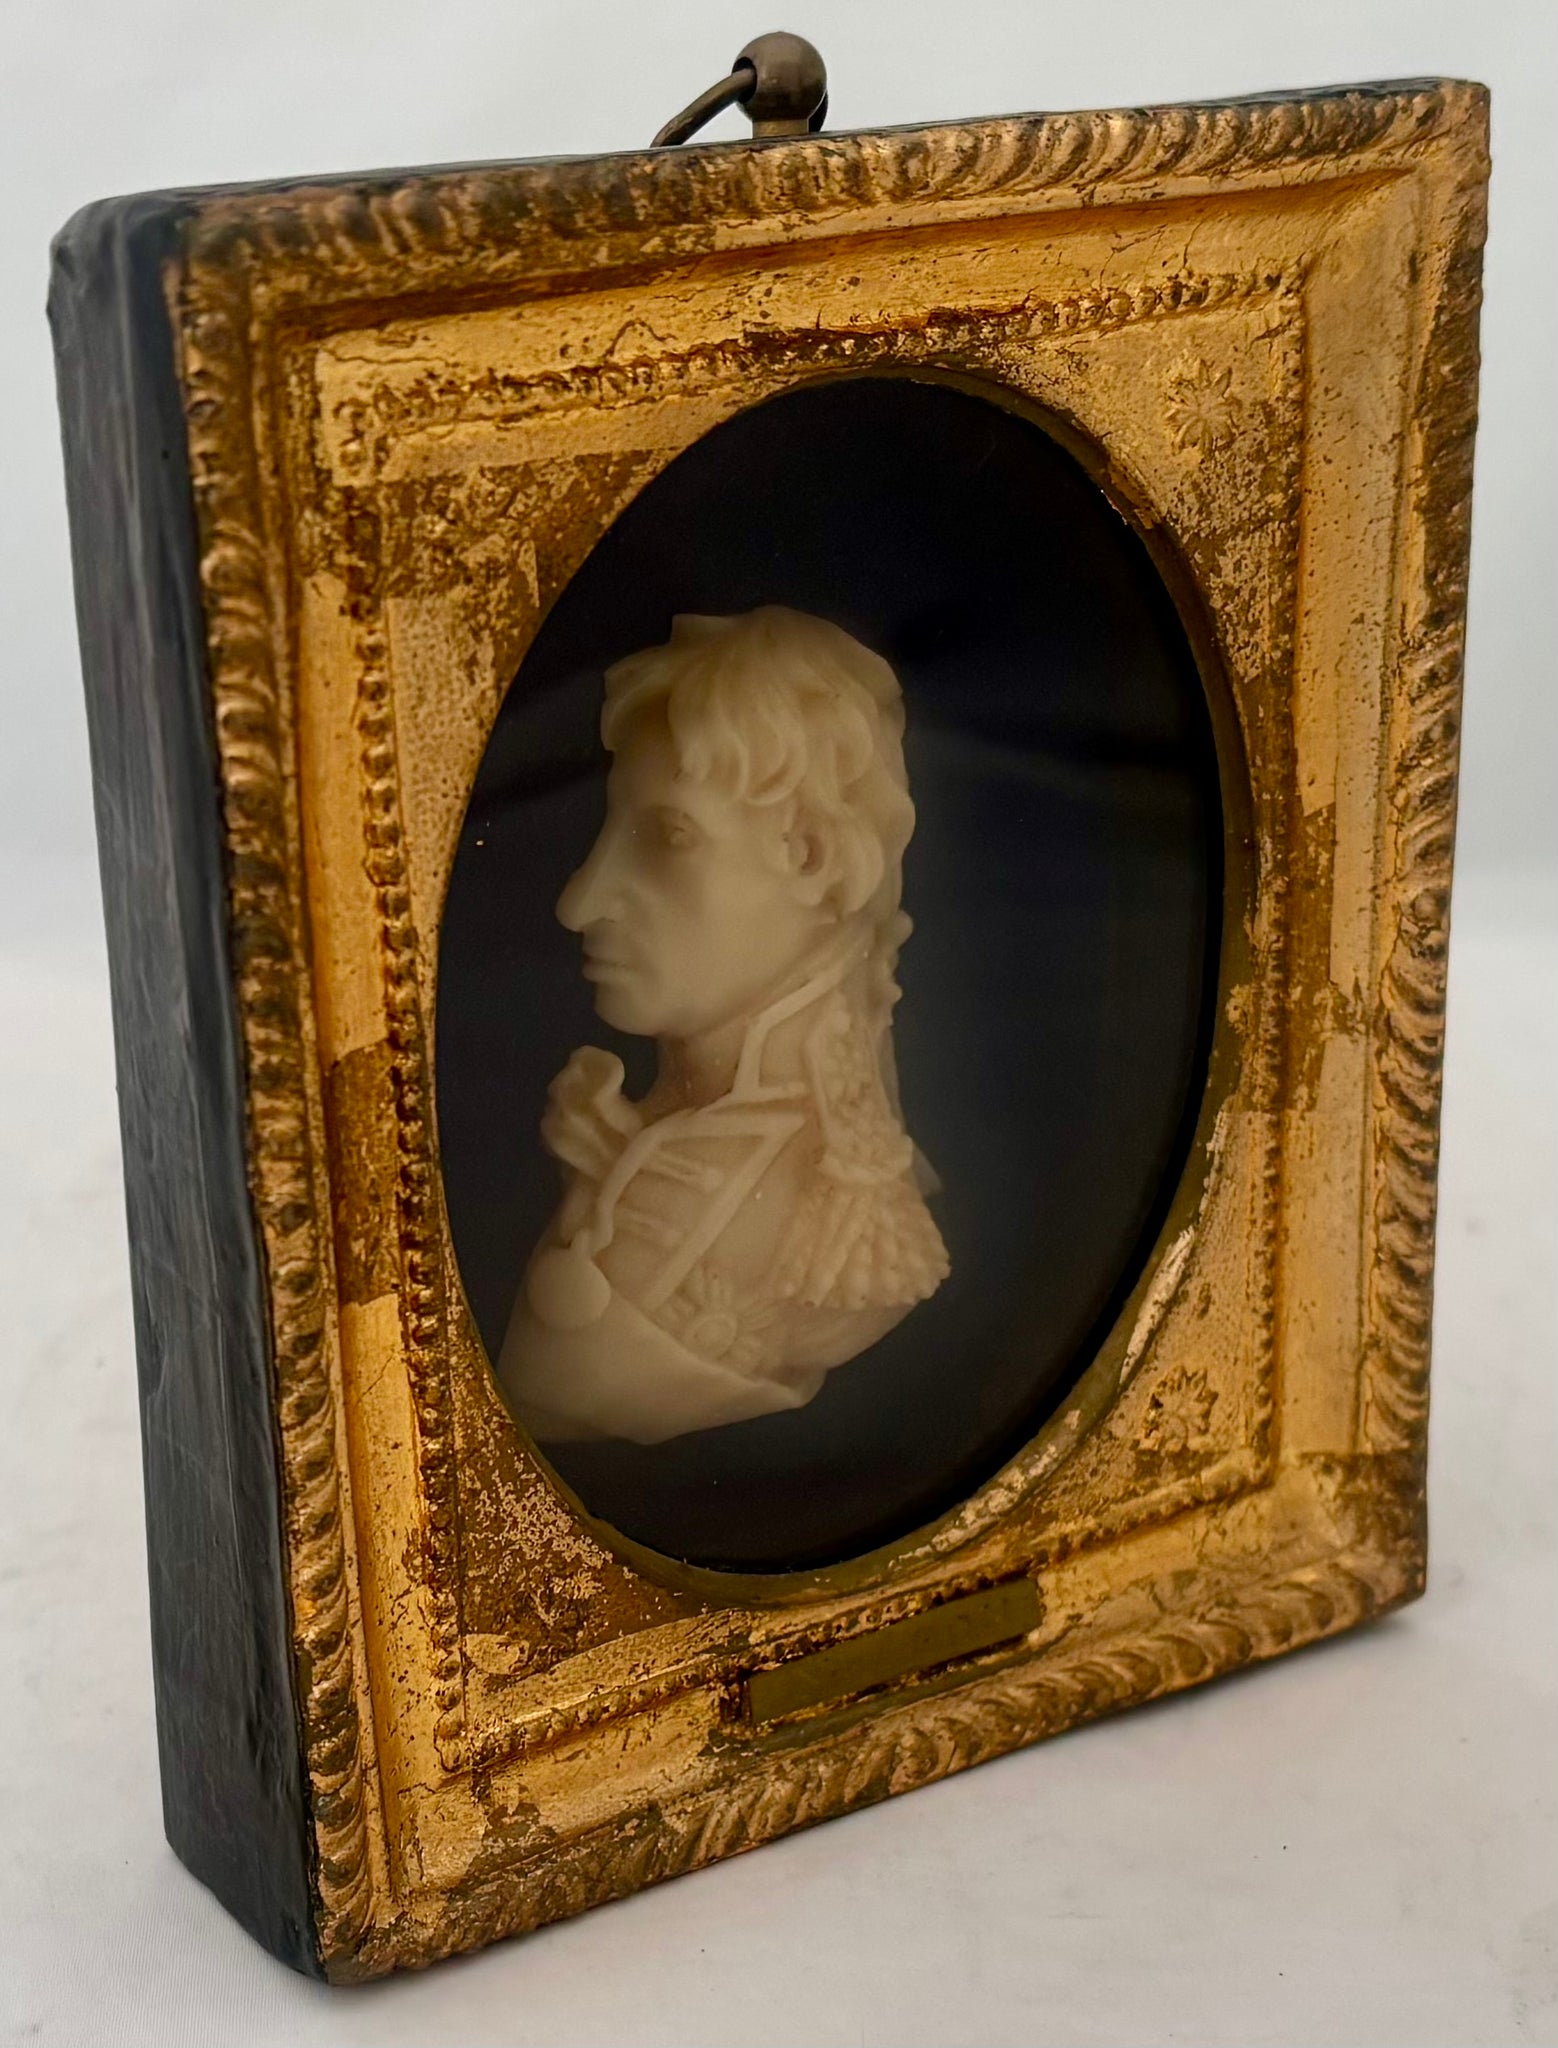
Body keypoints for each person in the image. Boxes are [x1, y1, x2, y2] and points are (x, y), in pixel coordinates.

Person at [498, 605, 948, 1445]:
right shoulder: (634, 1139)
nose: (580, 901)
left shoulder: (819, 1227)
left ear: (810, 855)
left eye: (668, 836)